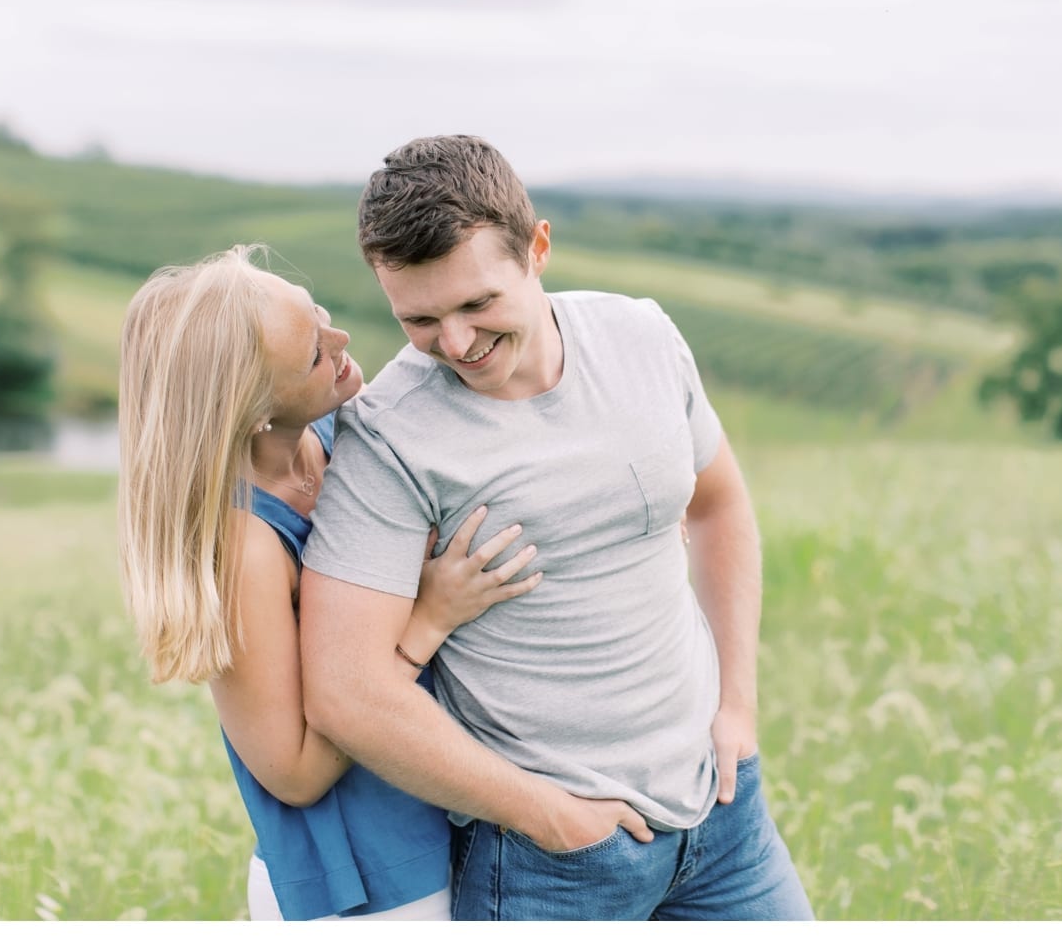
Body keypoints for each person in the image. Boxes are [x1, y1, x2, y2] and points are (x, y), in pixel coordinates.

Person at [299, 136, 813, 921]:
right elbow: (346, 691)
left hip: (724, 817)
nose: (458, 345)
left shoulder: (641, 337)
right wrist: (549, 817)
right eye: (421, 320)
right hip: (551, 865)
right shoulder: (389, 437)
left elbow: (718, 506)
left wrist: (737, 706)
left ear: (537, 248)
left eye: (478, 305)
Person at [115, 245, 551, 920]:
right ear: (255, 409)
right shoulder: (243, 546)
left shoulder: (337, 433)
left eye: (319, 317)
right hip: (371, 887)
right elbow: (291, 772)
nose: (341, 340)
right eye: (314, 352)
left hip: (446, 834)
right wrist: (428, 618)